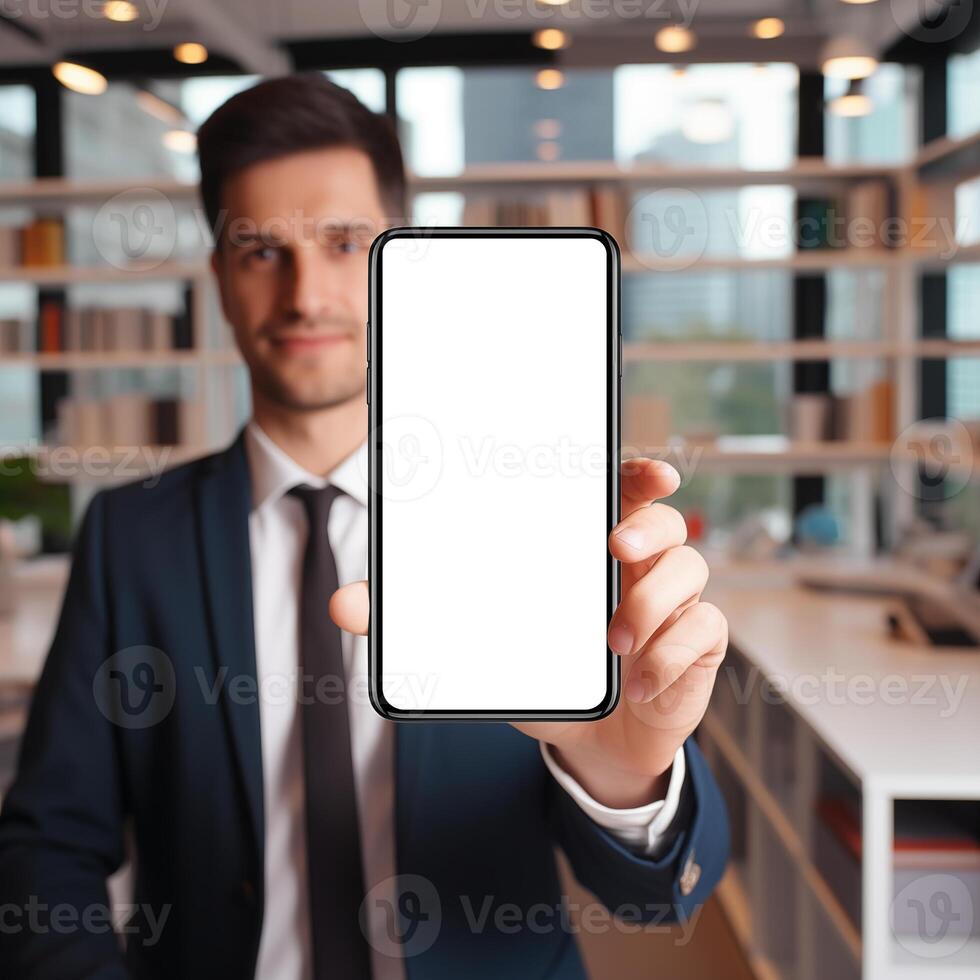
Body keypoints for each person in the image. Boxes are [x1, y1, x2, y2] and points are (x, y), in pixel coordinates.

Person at [0, 73, 730, 980]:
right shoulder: (128, 538)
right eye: (262, 250)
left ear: (404, 253)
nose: (306, 294)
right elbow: (45, 850)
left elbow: (658, 897)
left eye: (346, 243)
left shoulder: (520, 512)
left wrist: (629, 780)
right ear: (220, 277)